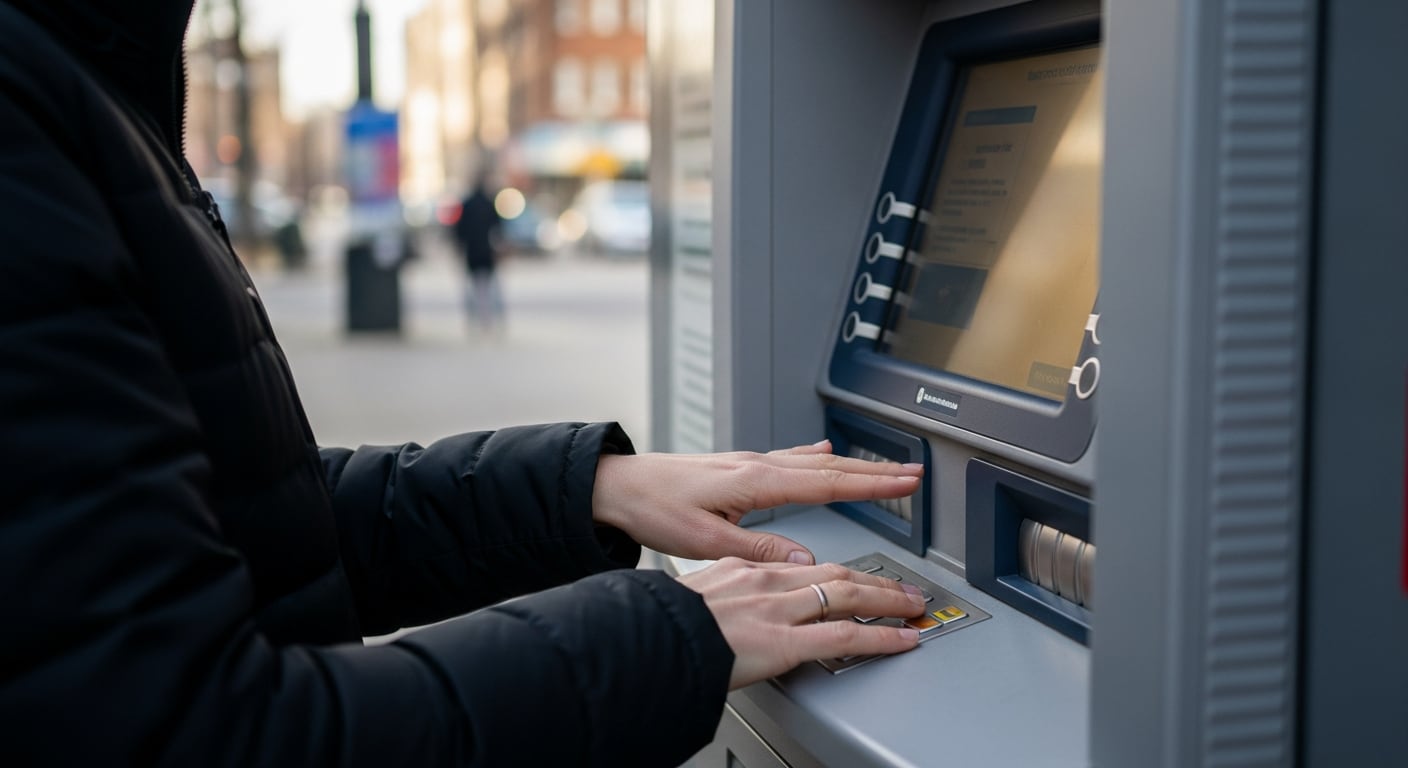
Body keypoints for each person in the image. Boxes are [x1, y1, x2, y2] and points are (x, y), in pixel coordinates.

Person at [0, 1, 928, 765]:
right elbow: (188, 733)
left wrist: (587, 490)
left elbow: (244, 521)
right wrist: (666, 636)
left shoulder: (79, 76)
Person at [454, 177, 506, 331]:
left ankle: (472, 320)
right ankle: (493, 319)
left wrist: (460, 247)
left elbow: (459, 231)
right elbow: (498, 229)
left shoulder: (467, 205)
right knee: (491, 288)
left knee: (473, 288)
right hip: (487, 251)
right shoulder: (489, 204)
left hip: (472, 252)